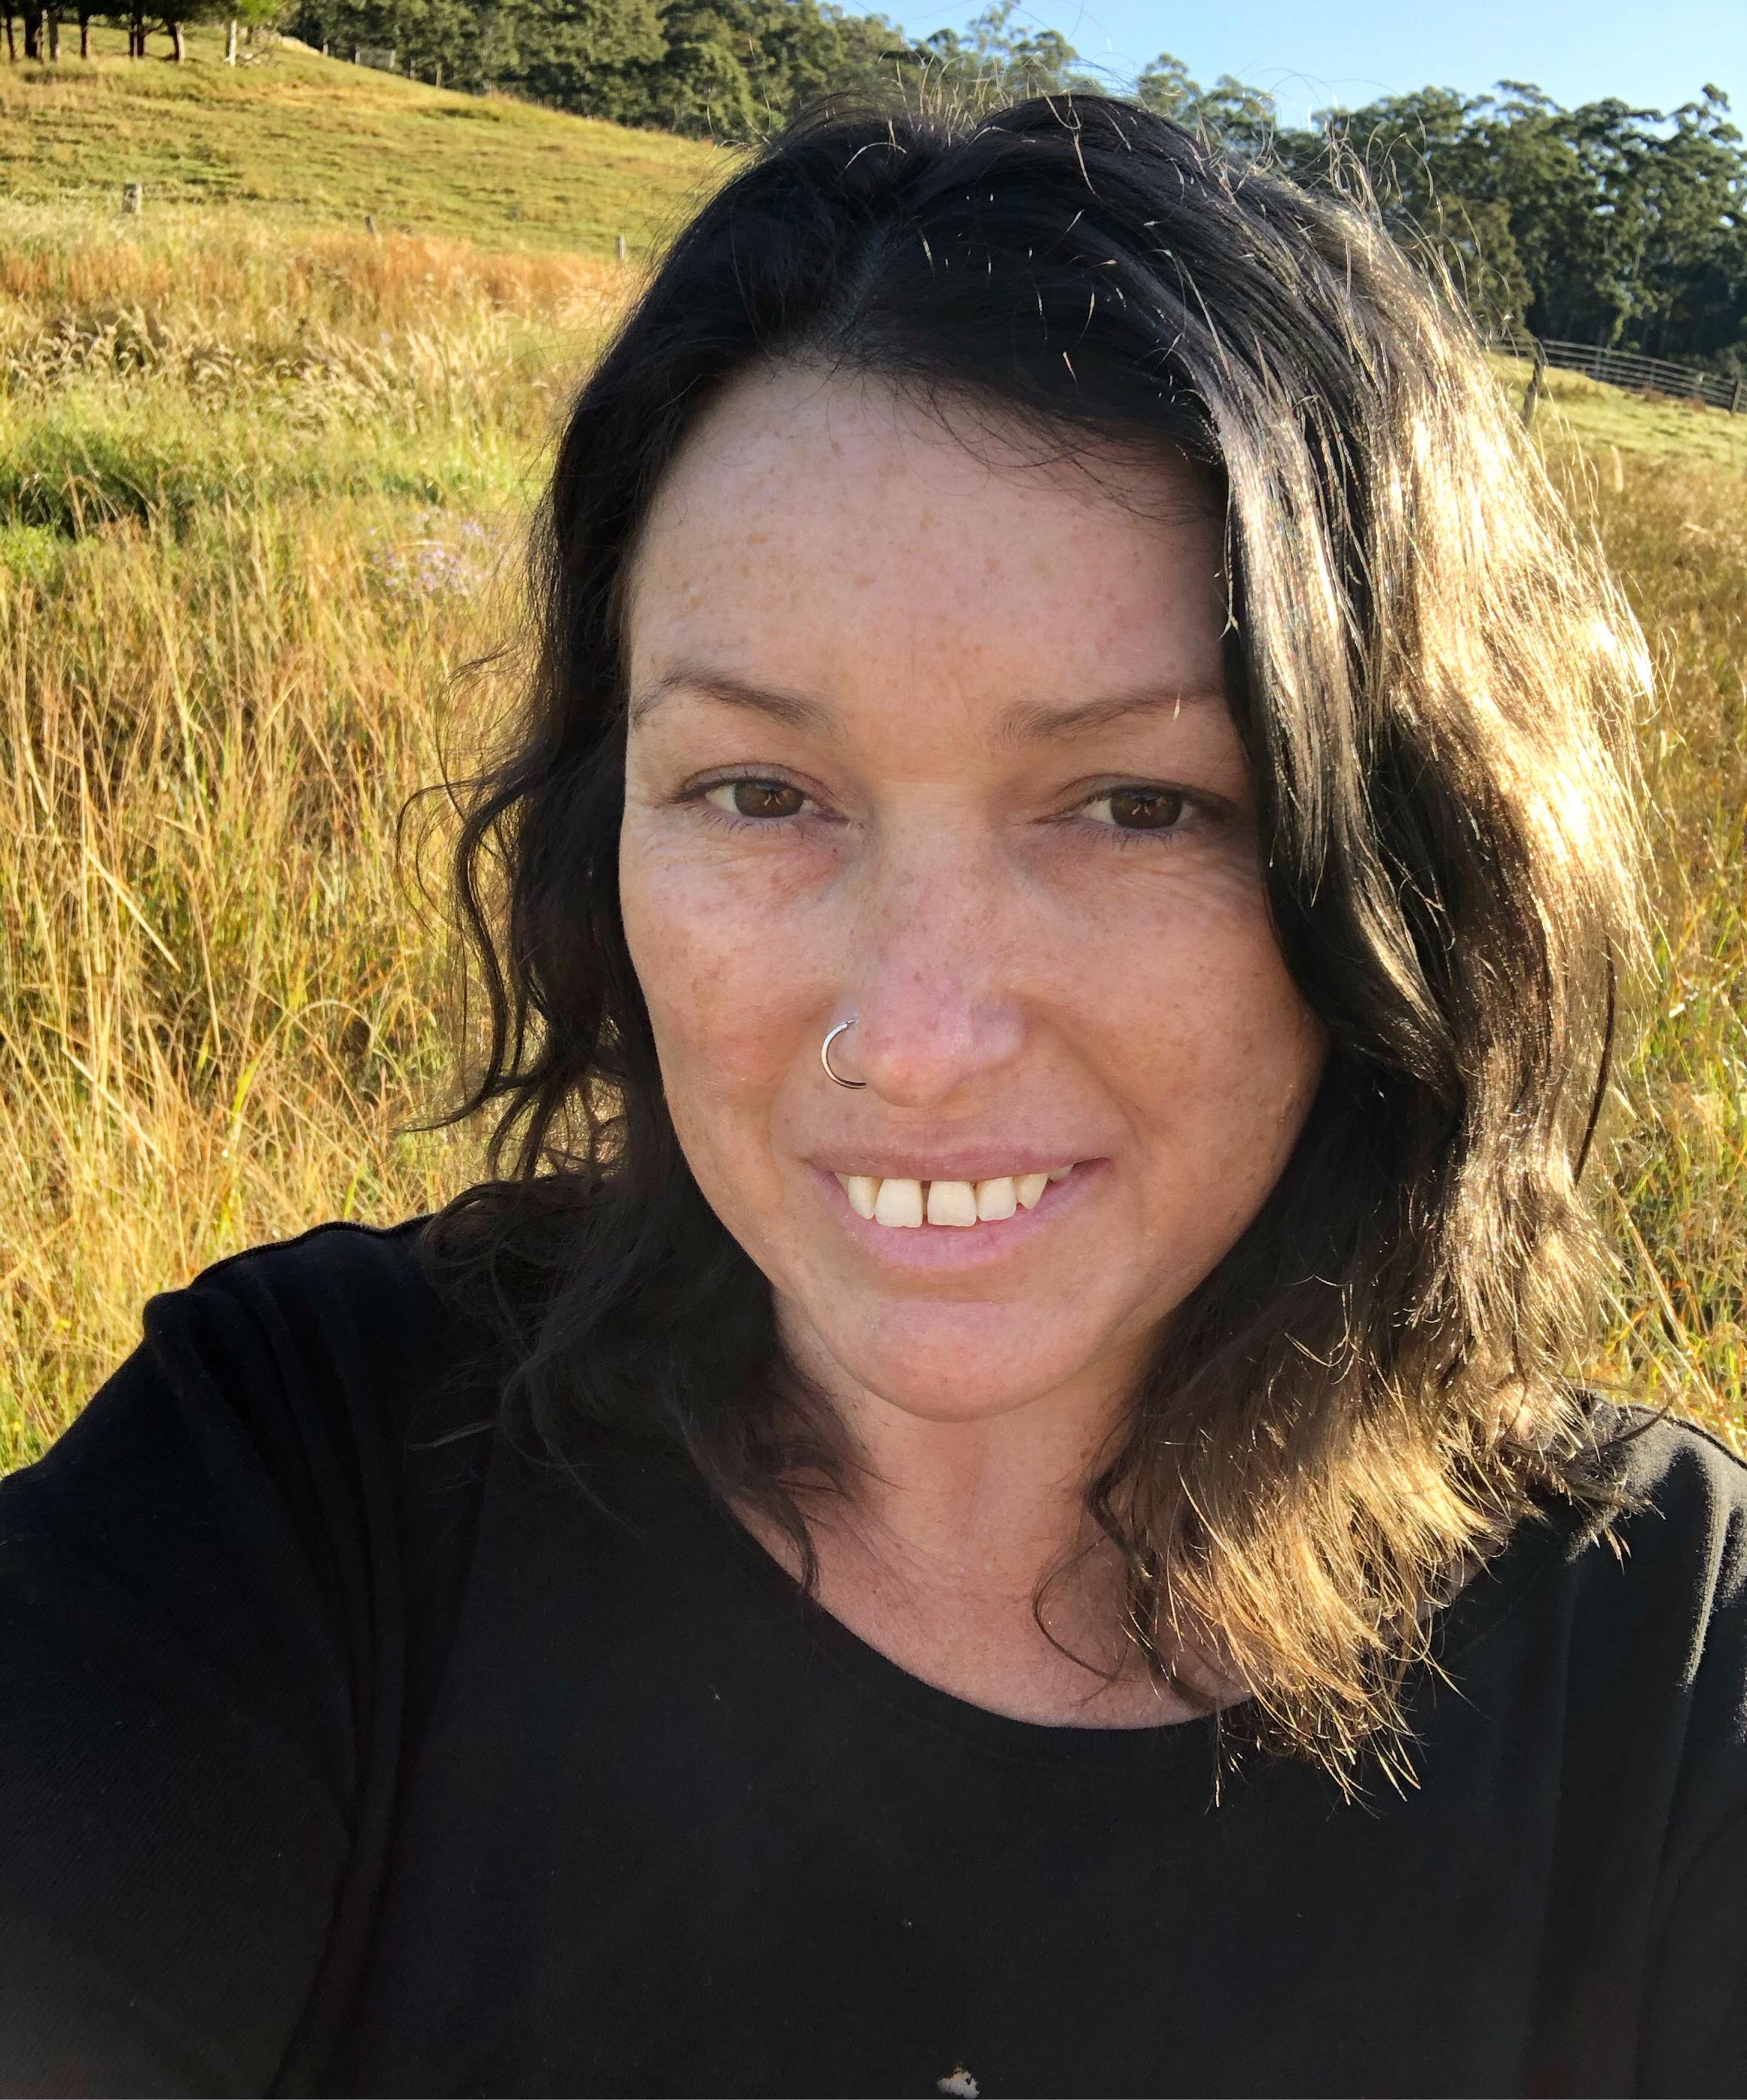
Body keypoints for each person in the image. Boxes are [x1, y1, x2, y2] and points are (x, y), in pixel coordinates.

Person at [2, 92, 1742, 2099]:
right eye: (759, 792)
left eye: (1135, 804)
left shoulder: (1668, 1683)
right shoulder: (294, 1489)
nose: (912, 1039)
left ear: (1407, 868)